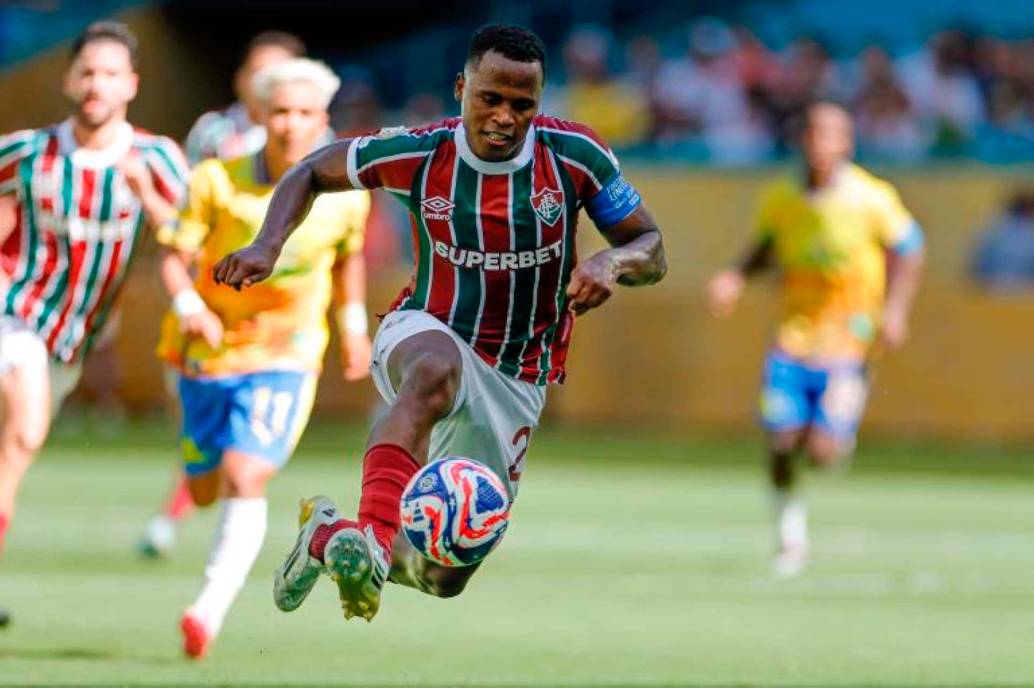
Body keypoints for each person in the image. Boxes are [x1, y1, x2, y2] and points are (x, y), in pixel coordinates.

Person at [214, 23, 666, 622]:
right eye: (490, 98)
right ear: (461, 89)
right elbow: (313, 169)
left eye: (522, 105)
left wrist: (613, 262)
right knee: (431, 371)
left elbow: (651, 247)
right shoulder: (421, 152)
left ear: (539, 102)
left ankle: (327, 539)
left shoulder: (574, 155)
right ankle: (373, 536)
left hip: (517, 373)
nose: (504, 117)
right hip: (429, 326)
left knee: (444, 575)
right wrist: (267, 244)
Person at [158, 58, 371, 658]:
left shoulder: (346, 196)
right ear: (259, 115)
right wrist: (188, 305)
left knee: (246, 474)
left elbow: (348, 259)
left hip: (287, 352)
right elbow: (172, 255)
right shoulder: (215, 181)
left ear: (323, 118)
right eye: (279, 112)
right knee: (203, 487)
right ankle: (196, 479)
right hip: (208, 350)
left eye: (305, 113)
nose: (291, 124)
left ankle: (207, 610)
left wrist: (353, 326)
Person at [0, 21, 187, 620]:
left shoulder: (157, 158)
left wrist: (147, 195)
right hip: (16, 310)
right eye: (86, 72)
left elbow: (188, 237)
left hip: (75, 337)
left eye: (109, 74)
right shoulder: (28, 151)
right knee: (25, 431)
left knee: (16, 448)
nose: (95, 84)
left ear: (131, 84)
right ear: (68, 79)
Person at [706, 101, 925, 576]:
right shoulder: (782, 197)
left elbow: (910, 248)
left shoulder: (871, 198)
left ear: (846, 143)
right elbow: (766, 246)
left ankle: (836, 428)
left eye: (831, 135)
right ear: (801, 140)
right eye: (813, 134)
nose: (820, 144)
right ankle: (790, 536)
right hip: (793, 338)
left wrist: (895, 310)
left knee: (823, 454)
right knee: (781, 441)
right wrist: (735, 277)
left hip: (849, 340)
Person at [139, 30, 308, 558]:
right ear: (241, 80)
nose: (269, 84)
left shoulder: (312, 137)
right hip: (205, 302)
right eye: (259, 72)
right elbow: (184, 214)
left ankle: (185, 515)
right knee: (195, 423)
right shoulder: (214, 135)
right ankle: (195, 486)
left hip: (274, 321)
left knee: (245, 453)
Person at [184, 31, 306, 165]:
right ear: (239, 78)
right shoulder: (210, 130)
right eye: (257, 73)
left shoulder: (313, 132)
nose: (266, 84)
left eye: (277, 76)